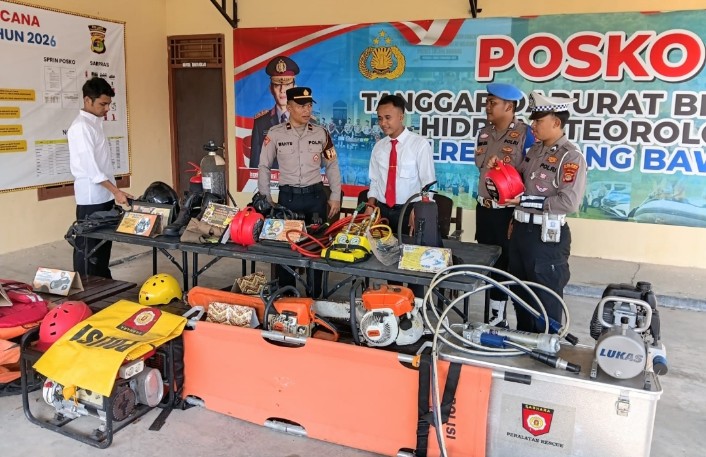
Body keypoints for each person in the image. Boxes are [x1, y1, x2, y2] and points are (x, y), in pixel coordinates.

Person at [489, 91, 586, 333]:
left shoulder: (570, 157)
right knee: (521, 293)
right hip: (521, 232)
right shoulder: (535, 151)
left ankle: (547, 346)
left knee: (545, 298)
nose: (533, 126)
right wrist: (500, 168)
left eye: (539, 121)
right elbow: (518, 180)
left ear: (556, 122)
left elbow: (569, 202)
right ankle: (525, 342)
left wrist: (527, 201)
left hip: (546, 237)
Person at [258, 87, 341, 297]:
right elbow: (264, 166)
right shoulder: (275, 134)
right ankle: (288, 296)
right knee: (286, 251)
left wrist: (335, 196)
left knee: (317, 249)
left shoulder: (321, 133)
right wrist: (265, 198)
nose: (307, 110)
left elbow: (332, 165)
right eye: (301, 106)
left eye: (309, 105)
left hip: (315, 198)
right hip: (288, 200)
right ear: (289, 107)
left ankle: (316, 296)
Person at [475, 83, 535, 327]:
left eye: (493, 103)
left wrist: (518, 211)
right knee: (490, 265)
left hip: (509, 212)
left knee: (508, 266)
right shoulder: (484, 132)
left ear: (509, 106)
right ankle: (495, 317)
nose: (487, 107)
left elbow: (530, 176)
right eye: (487, 102)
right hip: (484, 209)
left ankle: (505, 317)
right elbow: (481, 168)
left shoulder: (526, 134)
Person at [68, 77, 133, 278]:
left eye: (108, 104)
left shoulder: (94, 124)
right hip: (91, 200)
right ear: (87, 100)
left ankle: (104, 284)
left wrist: (115, 192)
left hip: (104, 196)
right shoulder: (81, 127)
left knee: (103, 248)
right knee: (89, 251)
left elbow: (102, 166)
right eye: (102, 104)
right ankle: (87, 288)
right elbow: (92, 169)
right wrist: (116, 191)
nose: (106, 109)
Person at [365, 94, 436, 234]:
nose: (383, 123)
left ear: (401, 117)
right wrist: (370, 205)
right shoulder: (378, 147)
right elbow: (375, 181)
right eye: (380, 118)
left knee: (407, 247)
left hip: (409, 211)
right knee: (380, 247)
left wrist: (420, 210)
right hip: (382, 211)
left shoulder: (419, 145)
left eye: (388, 117)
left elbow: (428, 183)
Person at [249, 55, 299, 169]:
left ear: (295, 88)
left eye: (287, 85)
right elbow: (255, 165)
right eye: (277, 85)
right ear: (271, 89)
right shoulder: (261, 123)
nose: (282, 90)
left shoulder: (309, 122)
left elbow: (318, 161)